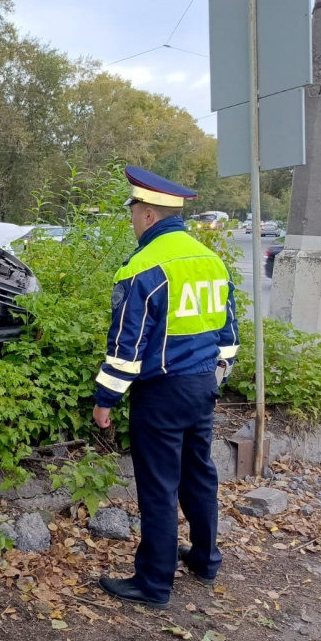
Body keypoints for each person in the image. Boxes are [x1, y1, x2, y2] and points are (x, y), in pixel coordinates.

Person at [92, 166, 239, 610]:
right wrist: (213, 380)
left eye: (134, 210)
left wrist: (106, 398)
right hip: (201, 387)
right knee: (199, 474)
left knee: (158, 485)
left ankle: (154, 583)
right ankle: (205, 559)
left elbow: (126, 345)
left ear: (149, 214)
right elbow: (228, 336)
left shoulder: (143, 266)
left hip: (161, 392)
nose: (132, 218)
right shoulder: (211, 261)